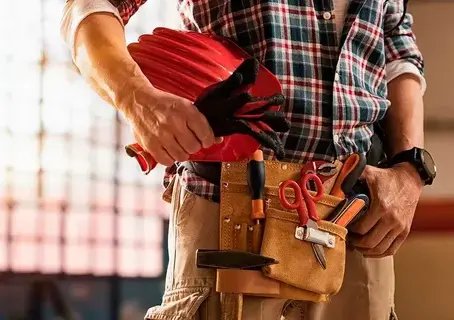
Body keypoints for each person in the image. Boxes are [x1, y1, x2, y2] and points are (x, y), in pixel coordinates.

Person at [61, 0, 436, 319]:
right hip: (230, 212)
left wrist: (410, 168)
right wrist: (136, 99)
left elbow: (396, 47)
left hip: (356, 221)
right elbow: (89, 8)